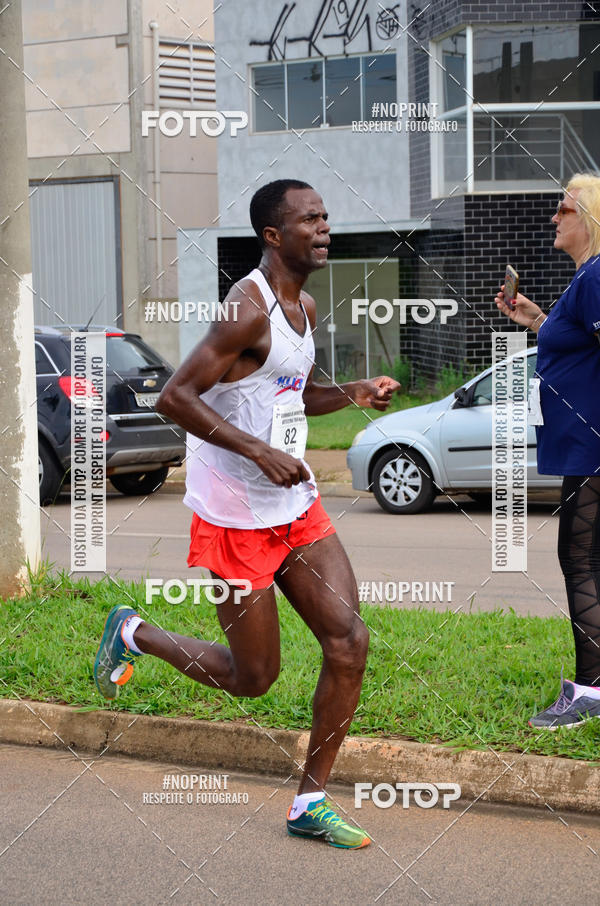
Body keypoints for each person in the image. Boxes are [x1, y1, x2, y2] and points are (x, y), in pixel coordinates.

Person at [94, 178, 400, 846]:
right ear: (273, 235)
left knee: (350, 642)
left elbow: (291, 394)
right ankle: (135, 633)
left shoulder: (305, 308)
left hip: (296, 510)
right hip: (235, 520)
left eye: (326, 217)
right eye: (308, 220)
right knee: (253, 678)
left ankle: (309, 803)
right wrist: (259, 453)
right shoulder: (246, 310)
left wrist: (351, 391)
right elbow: (174, 397)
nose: (323, 228)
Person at [495, 172, 600, 729]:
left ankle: (588, 691)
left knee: (577, 560)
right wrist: (535, 319)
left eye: (562, 209)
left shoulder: (597, 277)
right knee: (592, 563)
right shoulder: (584, 279)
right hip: (582, 444)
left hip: (592, 448)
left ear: (589, 218)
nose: (553, 218)